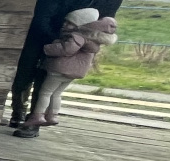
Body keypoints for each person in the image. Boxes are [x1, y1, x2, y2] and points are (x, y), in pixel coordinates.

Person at [9, 0, 127, 126]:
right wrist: (56, 40)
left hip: (76, 45)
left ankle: (34, 121)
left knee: (46, 84)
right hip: (41, 36)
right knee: (24, 75)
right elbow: (41, 18)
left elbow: (104, 24)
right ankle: (19, 111)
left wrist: (83, 41)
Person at [15, 9, 118, 137]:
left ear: (80, 25)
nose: (65, 24)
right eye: (66, 22)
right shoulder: (93, 39)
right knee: (57, 94)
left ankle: (37, 115)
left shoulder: (77, 36)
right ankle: (52, 115)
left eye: (70, 23)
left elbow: (67, 49)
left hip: (59, 70)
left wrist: (47, 48)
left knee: (45, 92)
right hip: (75, 72)